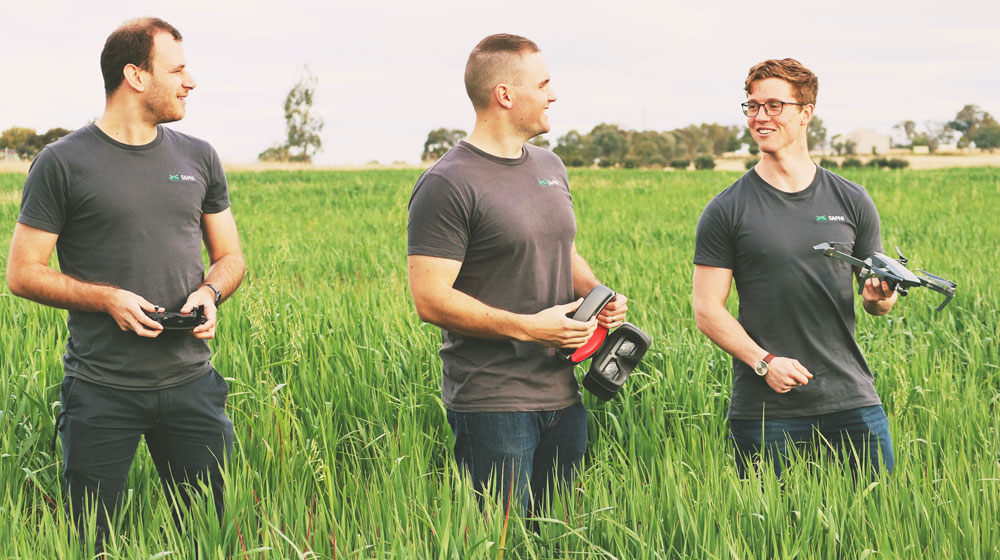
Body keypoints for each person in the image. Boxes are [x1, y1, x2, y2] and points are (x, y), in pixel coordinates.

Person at [6, 18, 245, 551]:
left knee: (211, 541)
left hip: (192, 388)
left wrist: (210, 293)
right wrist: (106, 298)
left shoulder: (199, 156)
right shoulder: (62, 163)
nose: (191, 81)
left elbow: (230, 257)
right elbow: (22, 273)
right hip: (100, 391)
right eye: (177, 68)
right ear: (135, 75)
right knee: (89, 543)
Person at [407, 33, 627, 513]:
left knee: (557, 536)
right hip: (493, 401)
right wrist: (530, 328)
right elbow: (430, 299)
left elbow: (558, 248)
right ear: (504, 95)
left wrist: (596, 293)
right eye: (544, 84)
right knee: (502, 540)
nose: (554, 95)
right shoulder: (447, 183)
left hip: (564, 392)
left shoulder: (550, 165)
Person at [692, 58, 897, 479]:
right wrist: (764, 362)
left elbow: (876, 302)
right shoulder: (726, 209)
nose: (760, 117)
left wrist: (881, 297)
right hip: (765, 411)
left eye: (773, 105)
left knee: (878, 524)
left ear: (806, 113)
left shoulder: (852, 200)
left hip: (851, 398)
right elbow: (707, 309)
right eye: (752, 106)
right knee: (773, 537)